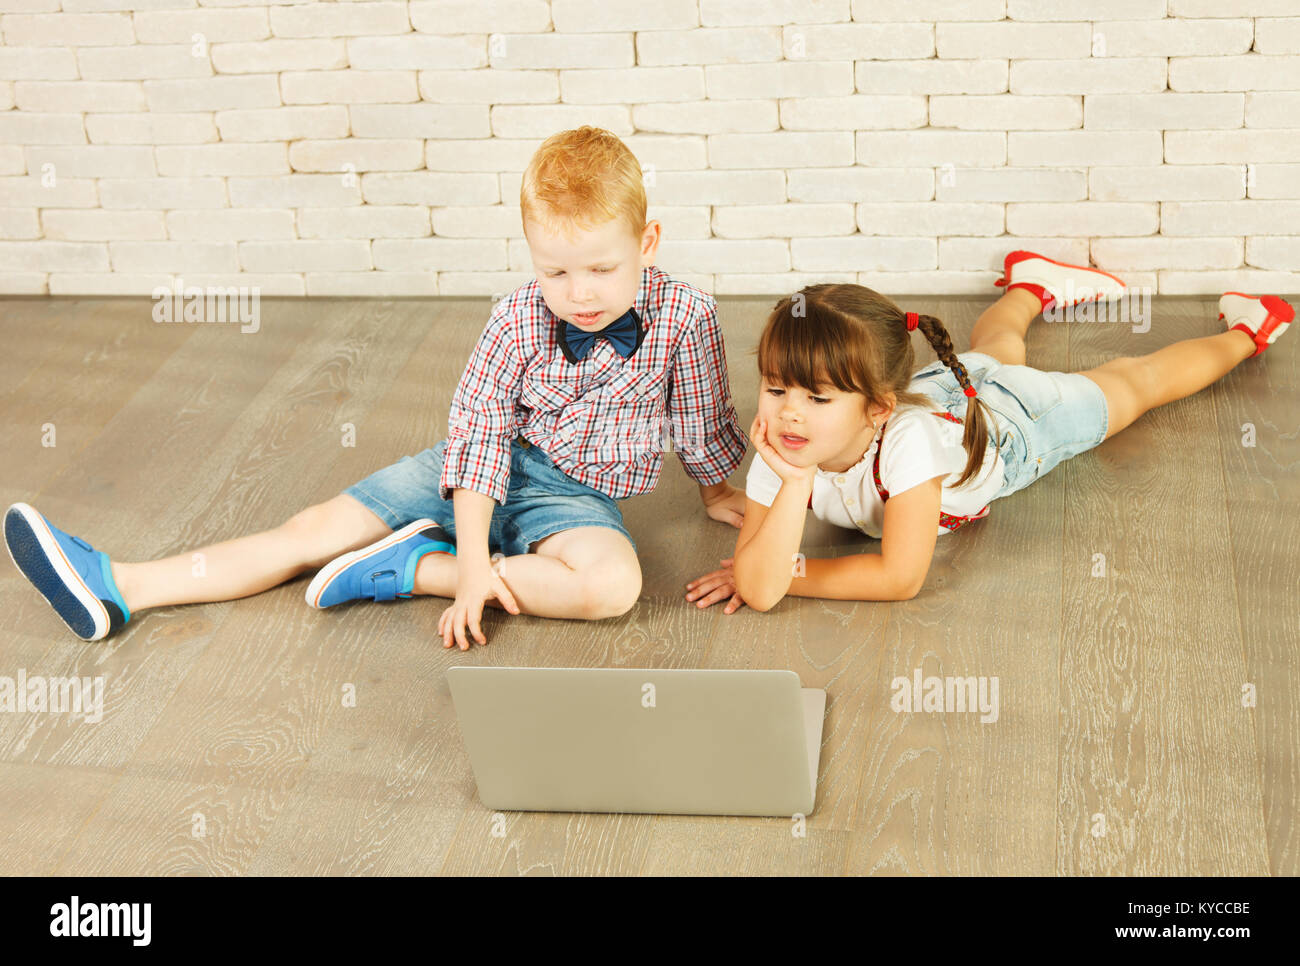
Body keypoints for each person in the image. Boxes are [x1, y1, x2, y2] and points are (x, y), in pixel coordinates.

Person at [6, 126, 749, 649]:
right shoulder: (515, 322)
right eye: (554, 271)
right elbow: (481, 440)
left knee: (613, 588)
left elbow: (699, 411)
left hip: (574, 496)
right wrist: (475, 573)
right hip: (480, 470)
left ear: (647, 244)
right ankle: (119, 585)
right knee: (309, 532)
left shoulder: (685, 317)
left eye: (600, 269)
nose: (578, 294)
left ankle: (405, 568)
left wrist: (717, 491)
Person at [684, 250, 1293, 613]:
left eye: (815, 396)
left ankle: (1250, 331)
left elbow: (899, 577)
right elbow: (762, 589)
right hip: (949, 391)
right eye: (775, 387)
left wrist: (778, 568)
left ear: (875, 407)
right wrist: (788, 492)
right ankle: (1029, 284)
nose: (788, 412)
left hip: (1015, 428)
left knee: (1135, 383)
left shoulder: (905, 443)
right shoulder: (784, 443)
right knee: (997, 347)